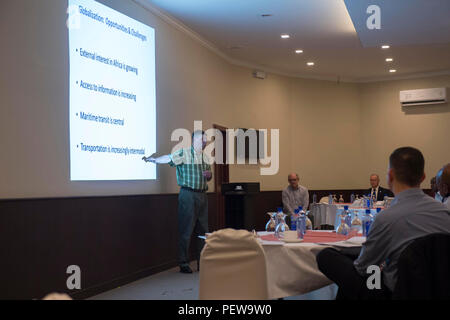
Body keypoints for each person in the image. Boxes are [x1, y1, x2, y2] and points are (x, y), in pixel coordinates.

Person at [317, 147, 450, 299]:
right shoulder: (444, 212)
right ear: (423, 177)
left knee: (326, 256)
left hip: (395, 292)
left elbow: (363, 268)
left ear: (390, 176)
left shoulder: (386, 218)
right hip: (438, 289)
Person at [143, 130, 212, 274]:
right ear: (195, 141)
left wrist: (209, 175)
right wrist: (154, 160)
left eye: (206, 140)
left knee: (203, 231)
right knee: (186, 230)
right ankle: (183, 263)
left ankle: (202, 262)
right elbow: (168, 158)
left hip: (202, 196)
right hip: (187, 194)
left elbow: (209, 175)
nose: (205, 143)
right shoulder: (184, 153)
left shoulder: (205, 157)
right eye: (203, 140)